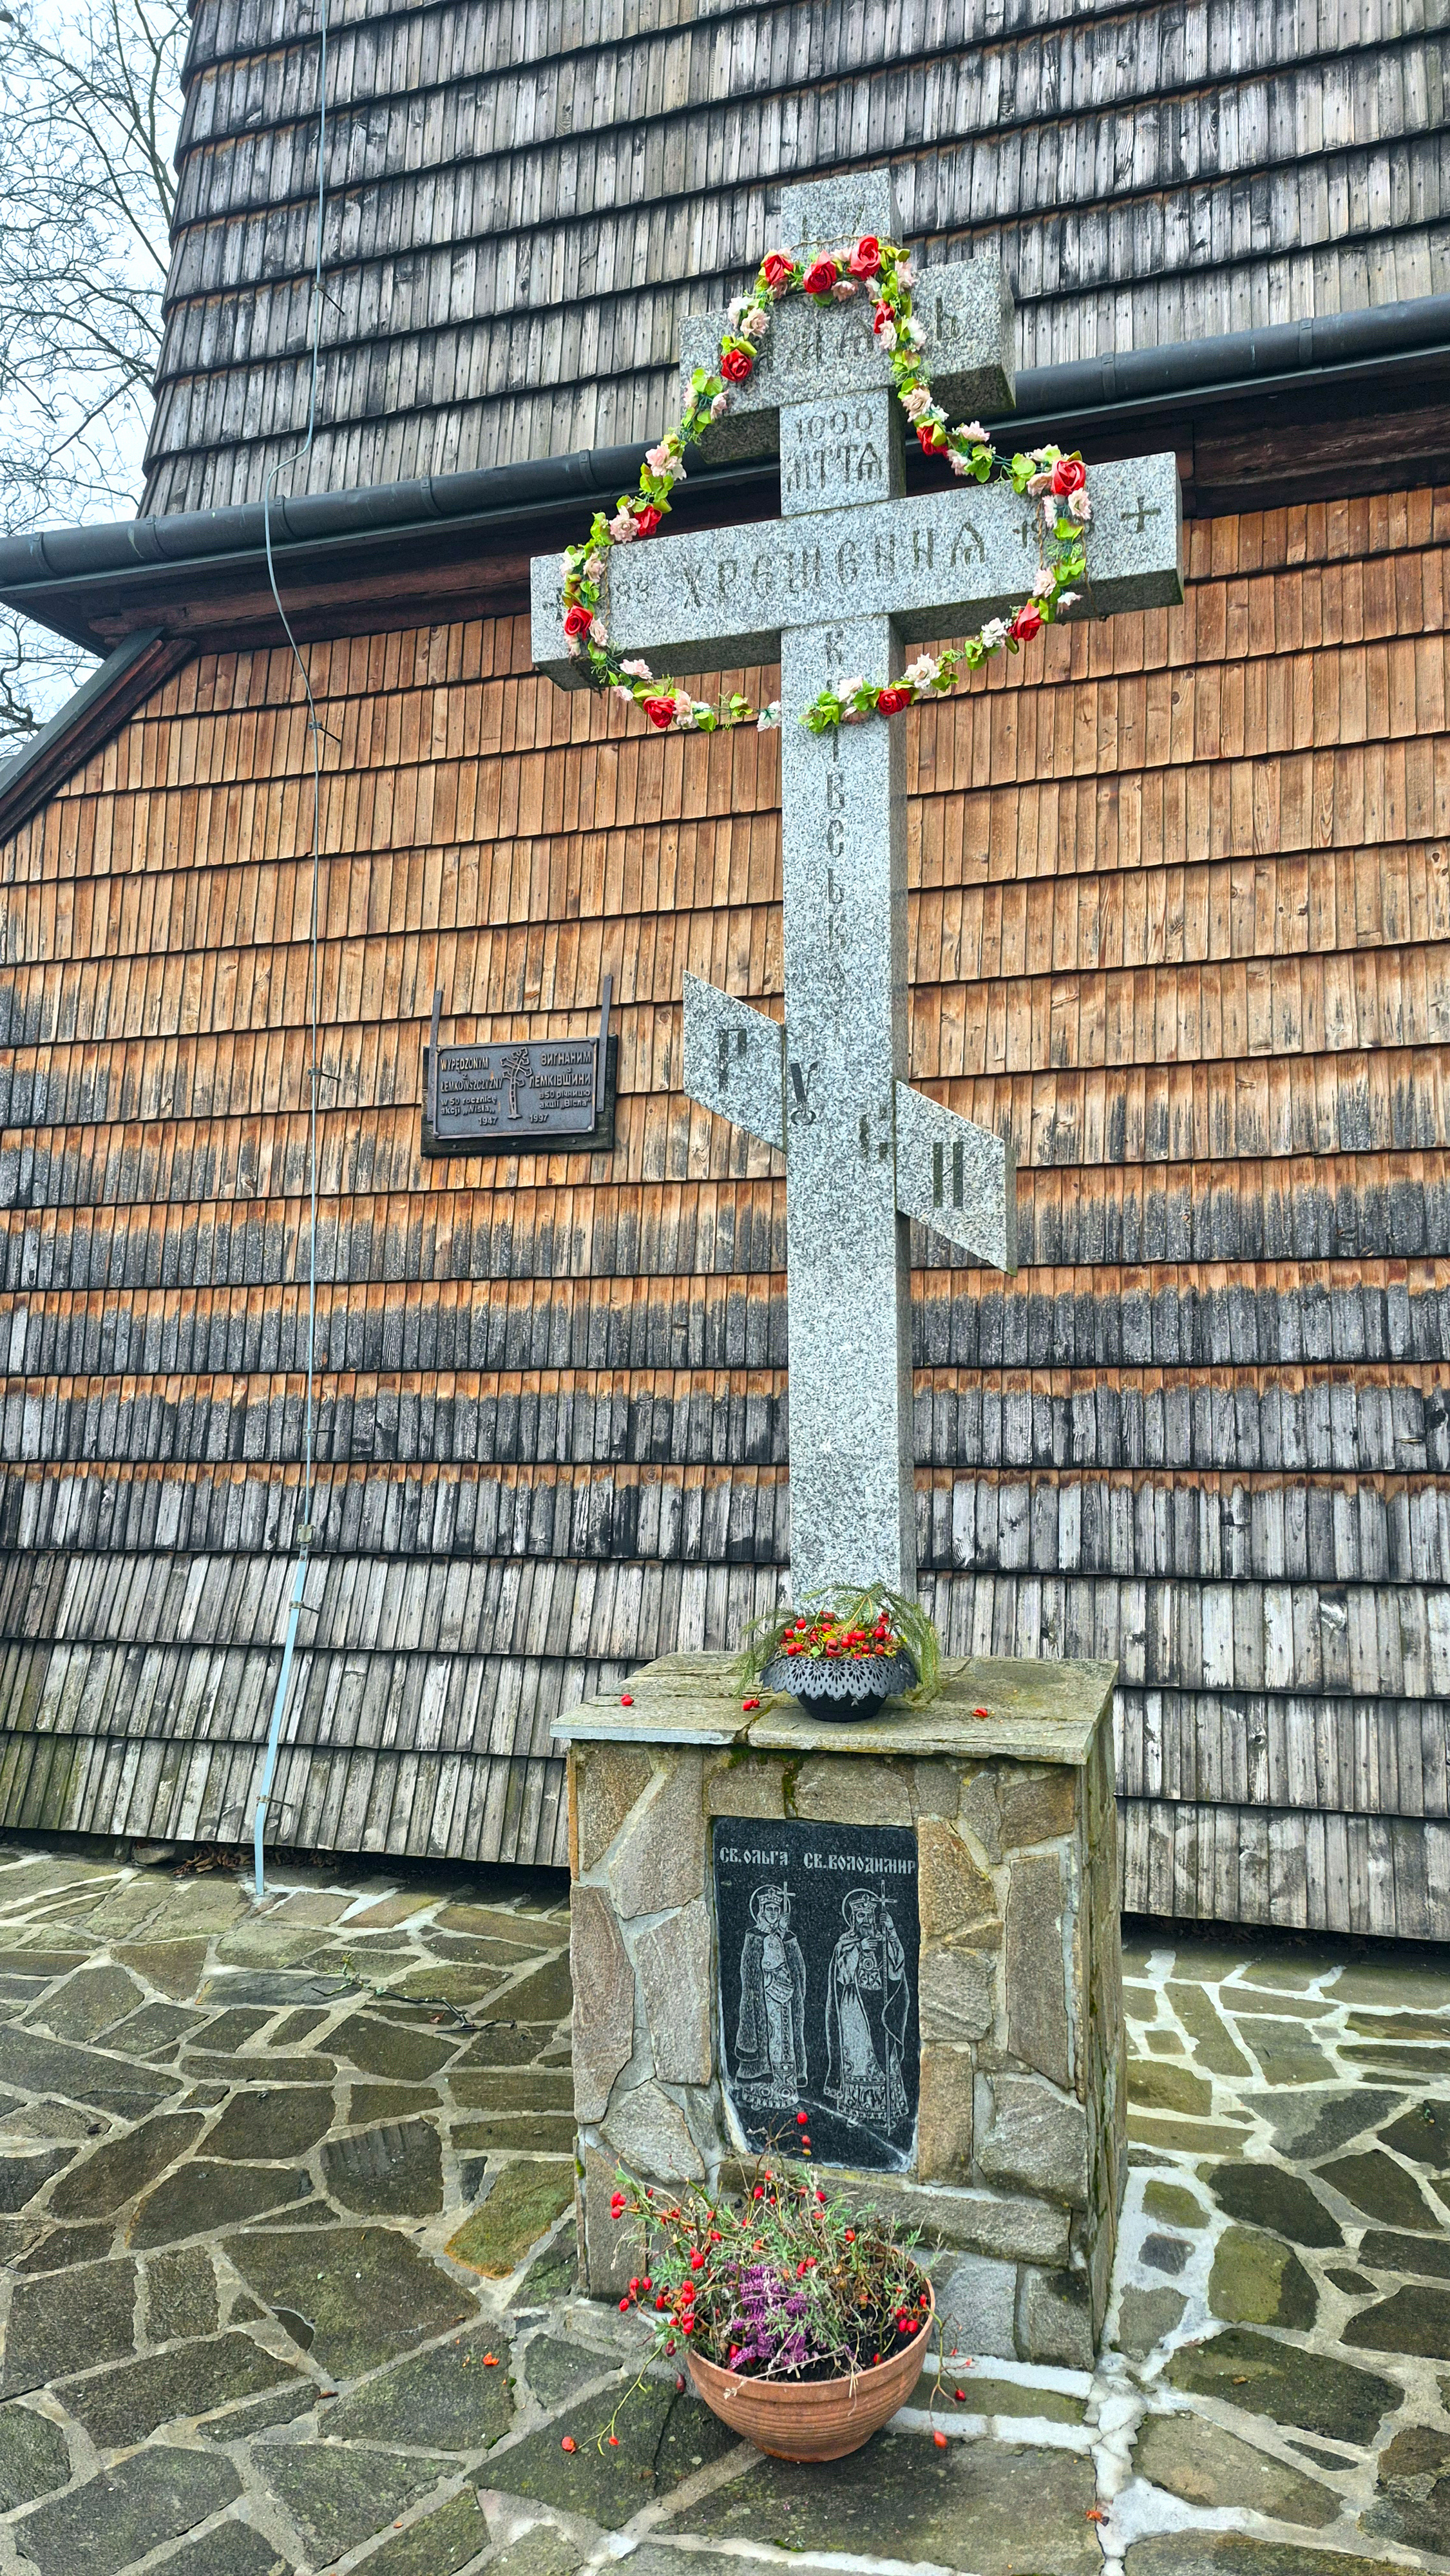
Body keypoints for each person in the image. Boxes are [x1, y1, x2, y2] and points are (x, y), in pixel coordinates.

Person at [825, 1887, 910, 2133]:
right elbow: (842, 1976)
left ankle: (887, 2110)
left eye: (869, 1916)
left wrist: (891, 1932)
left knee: (886, 2058)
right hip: (855, 2009)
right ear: (853, 1919)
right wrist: (859, 1948)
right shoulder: (846, 1944)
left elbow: (897, 1969)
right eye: (861, 1916)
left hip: (882, 2008)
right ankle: (856, 2110)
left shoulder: (884, 1940)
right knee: (860, 2061)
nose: (866, 1921)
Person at [733, 1883, 808, 2107]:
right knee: (767, 2044)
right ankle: (759, 2096)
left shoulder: (788, 1937)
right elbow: (750, 1970)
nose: (773, 1914)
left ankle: (786, 2093)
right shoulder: (754, 1936)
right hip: (764, 2001)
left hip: (785, 2001)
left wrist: (784, 1934)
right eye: (769, 1909)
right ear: (761, 1911)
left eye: (777, 1909)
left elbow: (798, 1969)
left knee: (785, 2045)